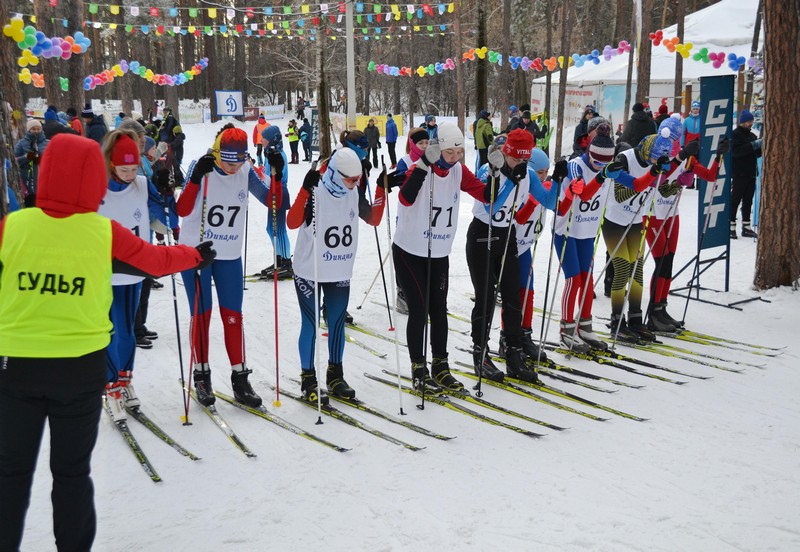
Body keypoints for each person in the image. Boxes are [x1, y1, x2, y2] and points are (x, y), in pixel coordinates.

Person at [0, 133, 213, 552]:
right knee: (72, 473)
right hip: (79, 371)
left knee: (9, 474)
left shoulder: (14, 226)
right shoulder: (102, 233)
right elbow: (154, 260)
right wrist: (195, 255)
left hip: (15, 368)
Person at [177, 125, 279, 407]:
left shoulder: (246, 169)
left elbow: (273, 202)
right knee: (202, 315)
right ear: (218, 152)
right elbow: (182, 209)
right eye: (228, 161)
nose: (234, 168)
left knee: (233, 316)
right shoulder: (202, 165)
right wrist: (196, 179)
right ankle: (202, 376)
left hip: (230, 253)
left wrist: (277, 175)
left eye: (239, 161)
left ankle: (240, 377)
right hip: (197, 252)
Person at [392, 123, 489, 392]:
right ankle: (418, 368)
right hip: (410, 250)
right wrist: (423, 165)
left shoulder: (457, 170)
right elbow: (406, 198)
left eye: (459, 152)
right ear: (437, 148)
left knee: (439, 309)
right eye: (449, 152)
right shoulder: (419, 167)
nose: (455, 157)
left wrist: (500, 175)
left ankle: (441, 366)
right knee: (420, 310)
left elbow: (484, 194)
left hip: (439, 251)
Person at [287, 148, 386, 402]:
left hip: (340, 269)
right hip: (310, 269)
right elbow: (291, 221)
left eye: (357, 180)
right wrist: (304, 190)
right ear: (334, 173)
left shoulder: (353, 193)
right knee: (310, 323)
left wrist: (380, 189)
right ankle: (308, 379)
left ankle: (335, 375)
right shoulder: (316, 191)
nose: (354, 184)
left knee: (337, 323)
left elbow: (373, 219)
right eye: (350, 180)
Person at [97, 130, 172, 420]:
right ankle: (111, 385)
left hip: (137, 272)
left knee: (128, 330)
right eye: (124, 169)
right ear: (111, 164)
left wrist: (166, 194)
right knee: (111, 331)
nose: (130, 174)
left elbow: (163, 218)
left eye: (133, 168)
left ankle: (125, 382)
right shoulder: (97, 187)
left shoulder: (142, 183)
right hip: (106, 274)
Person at [467, 129, 542, 383]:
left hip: (507, 236)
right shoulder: (490, 171)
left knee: (512, 295)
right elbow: (490, 207)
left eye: (524, 160)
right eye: (515, 159)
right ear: (506, 153)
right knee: (486, 297)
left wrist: (561, 182)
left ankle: (513, 352)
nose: (519, 164)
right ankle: (481, 352)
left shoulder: (527, 174)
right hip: (482, 235)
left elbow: (550, 200)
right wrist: (509, 178)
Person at [645, 136, 729, 331]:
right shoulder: (660, 158)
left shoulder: (688, 159)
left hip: (672, 214)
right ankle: (653, 314)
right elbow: (661, 177)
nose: (674, 149)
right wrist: (680, 156)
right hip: (653, 215)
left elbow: (709, 176)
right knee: (661, 263)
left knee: (669, 262)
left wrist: (719, 156)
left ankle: (661, 309)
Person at [602, 133, 672, 343]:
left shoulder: (657, 164)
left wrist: (678, 183)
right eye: (652, 158)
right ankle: (616, 321)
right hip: (614, 222)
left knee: (637, 271)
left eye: (656, 160)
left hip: (635, 222)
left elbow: (663, 189)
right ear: (645, 151)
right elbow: (621, 194)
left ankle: (635, 320)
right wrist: (652, 174)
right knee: (622, 269)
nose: (653, 162)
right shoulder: (625, 159)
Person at [258, 125, 293, 280]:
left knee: (279, 229)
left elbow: (273, 175)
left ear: (271, 139)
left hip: (280, 192)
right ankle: (278, 258)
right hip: (273, 192)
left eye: (264, 138)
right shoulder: (270, 154)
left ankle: (286, 262)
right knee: (270, 228)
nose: (261, 140)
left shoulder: (278, 154)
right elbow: (266, 174)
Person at [730, 110, 762, 239]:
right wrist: (752, 146)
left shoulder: (752, 135)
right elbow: (737, 152)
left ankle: (746, 227)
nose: (750, 124)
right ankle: (731, 226)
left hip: (751, 172)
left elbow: (756, 153)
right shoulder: (735, 135)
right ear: (742, 122)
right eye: (749, 121)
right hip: (739, 172)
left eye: (751, 121)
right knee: (735, 199)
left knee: (748, 200)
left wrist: (760, 147)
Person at [14, 119, 47, 197]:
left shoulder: (47, 143)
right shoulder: (21, 143)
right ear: (29, 130)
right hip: (27, 181)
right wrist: (26, 157)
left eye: (38, 129)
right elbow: (15, 161)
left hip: (44, 181)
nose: (36, 131)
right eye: (33, 129)